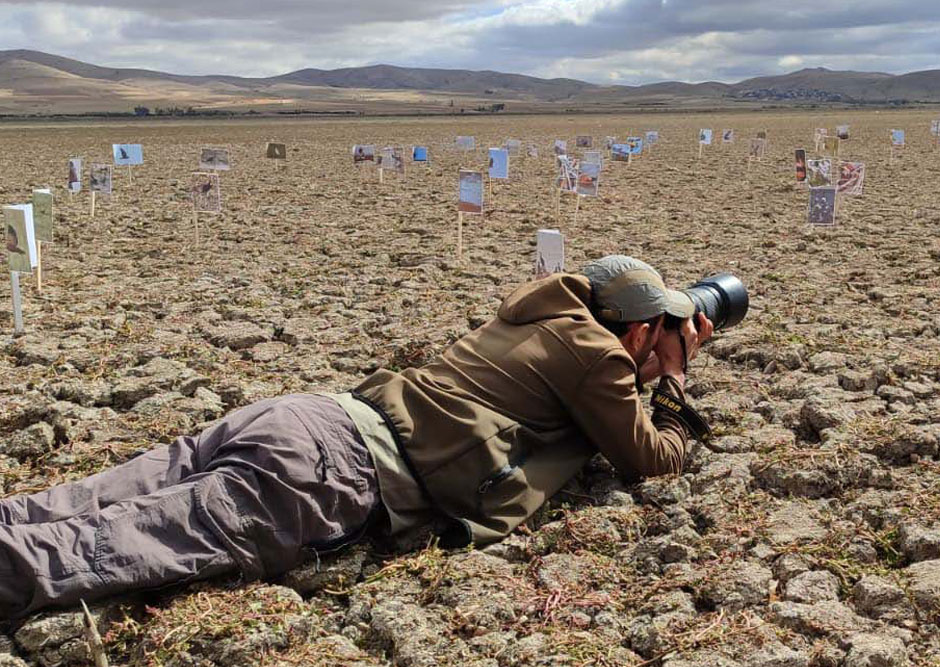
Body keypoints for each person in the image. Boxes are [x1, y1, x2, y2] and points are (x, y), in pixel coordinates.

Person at [0, 256, 714, 622]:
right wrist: (673, 378)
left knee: (75, 505)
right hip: (332, 475)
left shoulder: (537, 318)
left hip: (305, 420)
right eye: (661, 330)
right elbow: (650, 459)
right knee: (95, 549)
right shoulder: (599, 354)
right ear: (641, 327)